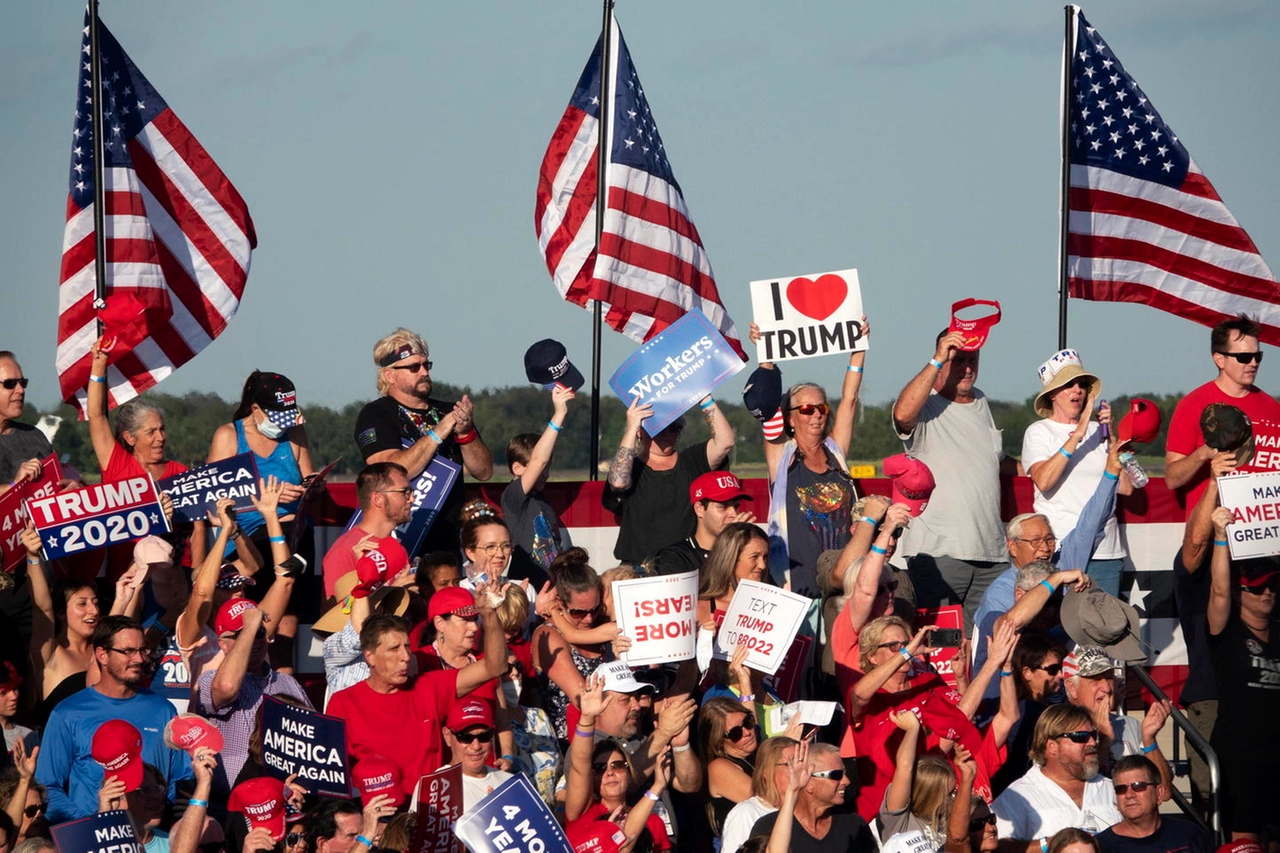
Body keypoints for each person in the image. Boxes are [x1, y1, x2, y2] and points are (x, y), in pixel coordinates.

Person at [326, 588, 508, 799]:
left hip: (431, 813)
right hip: (378, 816)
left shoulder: (429, 687)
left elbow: (494, 667)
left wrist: (489, 615)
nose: (405, 656)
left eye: (407, 647)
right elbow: (333, 774)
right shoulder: (344, 702)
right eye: (394, 649)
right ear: (370, 657)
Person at [892, 327, 1015, 634]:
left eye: (973, 359)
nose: (968, 368)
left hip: (992, 553)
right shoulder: (927, 407)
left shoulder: (982, 402)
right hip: (939, 553)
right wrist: (936, 359)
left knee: (984, 648)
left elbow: (995, 462)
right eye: (958, 359)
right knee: (939, 648)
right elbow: (902, 414)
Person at [746, 321, 867, 599]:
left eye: (821, 408)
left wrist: (858, 349)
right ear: (789, 417)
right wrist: (766, 356)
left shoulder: (836, 452)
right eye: (807, 409)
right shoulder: (781, 453)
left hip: (844, 582)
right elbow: (765, 405)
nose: (816, 415)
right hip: (796, 585)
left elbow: (849, 400)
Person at [353, 329, 493, 556]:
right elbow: (389, 471)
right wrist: (438, 434)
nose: (424, 372)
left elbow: (484, 471)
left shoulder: (448, 410)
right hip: (402, 537)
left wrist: (466, 433)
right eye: (414, 367)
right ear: (389, 375)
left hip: (449, 536)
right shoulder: (376, 414)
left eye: (427, 365)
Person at [37, 616, 190, 823]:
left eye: (142, 650)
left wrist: (161, 814)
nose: (138, 659)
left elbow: (181, 776)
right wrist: (91, 824)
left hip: (153, 837)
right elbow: (48, 785)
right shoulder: (67, 713)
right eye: (127, 651)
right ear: (102, 655)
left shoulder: (163, 709)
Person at [1021, 349, 1130, 597]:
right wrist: (1078, 435)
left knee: (1104, 628)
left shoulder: (1099, 431)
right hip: (1062, 548)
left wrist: (1111, 438)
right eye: (1068, 385)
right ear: (1053, 395)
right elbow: (1044, 480)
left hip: (1105, 551)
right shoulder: (1039, 432)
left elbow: (1126, 487)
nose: (1077, 390)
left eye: (1082, 384)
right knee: (1062, 629)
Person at [1206, 507, 1280, 842]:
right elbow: (1219, 591)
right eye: (1258, 588)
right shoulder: (1227, 633)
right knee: (1244, 843)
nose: (1267, 593)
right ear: (1240, 593)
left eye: (1273, 587)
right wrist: (1221, 537)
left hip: (1276, 753)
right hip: (1241, 758)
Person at [604, 390, 736, 567]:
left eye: (673, 428)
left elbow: (724, 442)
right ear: (640, 432)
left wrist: (704, 396)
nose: (666, 434)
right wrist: (632, 427)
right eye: (658, 429)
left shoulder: (692, 461)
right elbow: (618, 481)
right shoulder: (631, 468)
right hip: (639, 567)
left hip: (687, 564)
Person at [195, 598, 311, 794]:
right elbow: (227, 686)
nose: (254, 641)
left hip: (285, 798)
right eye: (240, 635)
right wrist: (249, 628)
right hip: (232, 803)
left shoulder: (287, 682)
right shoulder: (210, 679)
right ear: (222, 644)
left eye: (259, 633)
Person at [1165, 314, 1280, 511]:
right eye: (1244, 357)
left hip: (1263, 531)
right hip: (1211, 530)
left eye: (1257, 356)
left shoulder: (1274, 409)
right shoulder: (1192, 405)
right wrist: (1202, 454)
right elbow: (1172, 479)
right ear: (1220, 359)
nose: (1253, 363)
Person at [206, 370, 315, 572]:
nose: (283, 426)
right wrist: (269, 495)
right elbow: (212, 496)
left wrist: (312, 485)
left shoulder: (295, 432)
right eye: (277, 419)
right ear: (256, 409)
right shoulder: (228, 436)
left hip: (294, 529)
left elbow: (307, 475)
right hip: (250, 534)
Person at [565, 672, 674, 851]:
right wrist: (587, 718)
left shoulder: (653, 822)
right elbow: (580, 764)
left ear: (630, 774)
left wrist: (658, 786)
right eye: (599, 768)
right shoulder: (581, 813)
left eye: (617, 765)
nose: (609, 772)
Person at [992, 704, 1122, 849]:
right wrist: (1050, 845)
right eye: (1081, 737)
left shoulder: (1114, 789)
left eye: (1093, 735)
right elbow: (996, 847)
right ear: (1052, 746)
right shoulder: (1018, 797)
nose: (1092, 742)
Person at [1061, 646, 1172, 790]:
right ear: (1072, 688)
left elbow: (1164, 792)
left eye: (1109, 677)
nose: (1107, 688)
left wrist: (1149, 739)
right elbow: (1077, 790)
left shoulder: (1129, 725)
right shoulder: (1060, 730)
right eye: (1095, 679)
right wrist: (1105, 738)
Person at [531, 549, 613, 741]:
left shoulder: (602, 624)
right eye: (578, 612)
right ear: (560, 602)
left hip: (612, 736)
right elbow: (581, 697)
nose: (589, 618)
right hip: (571, 741)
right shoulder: (548, 634)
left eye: (595, 609)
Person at [500, 384, 574, 588]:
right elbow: (538, 461)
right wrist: (559, 414)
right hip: (526, 587)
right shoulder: (513, 497)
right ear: (517, 468)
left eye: (549, 468)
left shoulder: (541, 502)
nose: (547, 474)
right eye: (543, 469)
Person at [749, 741, 877, 853]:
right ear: (809, 783)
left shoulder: (854, 824)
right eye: (836, 775)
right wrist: (793, 791)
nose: (846, 781)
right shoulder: (769, 827)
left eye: (844, 773)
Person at [321, 463, 413, 603]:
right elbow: (335, 617)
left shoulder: (396, 547)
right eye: (404, 492)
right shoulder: (345, 551)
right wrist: (392, 592)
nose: (412, 499)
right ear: (377, 499)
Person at [1095, 755, 1214, 853]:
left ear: (1159, 793)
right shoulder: (1101, 847)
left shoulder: (1190, 835)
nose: (1129, 795)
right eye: (1121, 789)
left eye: (1138, 786)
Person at [653, 472, 756, 577]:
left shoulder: (744, 552)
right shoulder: (675, 558)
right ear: (700, 509)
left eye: (736, 506)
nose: (733, 514)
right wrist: (729, 546)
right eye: (723, 507)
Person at [700, 697, 760, 836]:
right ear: (719, 741)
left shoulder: (754, 753)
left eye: (748, 722)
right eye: (735, 733)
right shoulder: (718, 767)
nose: (747, 732)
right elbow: (766, 801)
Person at [440, 698, 512, 811]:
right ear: (447, 736)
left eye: (484, 736)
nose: (476, 746)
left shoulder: (510, 783)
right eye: (465, 737)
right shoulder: (433, 789)